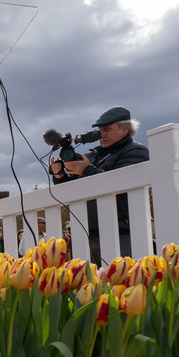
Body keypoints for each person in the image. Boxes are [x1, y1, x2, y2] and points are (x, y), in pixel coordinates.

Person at [50, 106, 150, 263]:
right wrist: (60, 176)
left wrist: (86, 170)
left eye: (107, 130)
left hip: (123, 234)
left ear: (126, 128)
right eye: (100, 131)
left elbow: (121, 184)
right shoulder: (91, 156)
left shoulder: (137, 151)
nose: (102, 135)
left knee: (124, 277)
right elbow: (71, 192)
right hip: (87, 235)